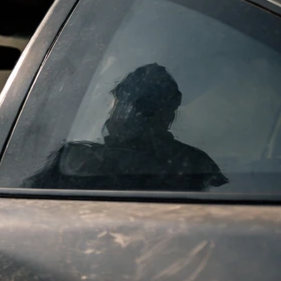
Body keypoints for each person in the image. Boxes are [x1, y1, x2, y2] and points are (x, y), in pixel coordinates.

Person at [26, 63, 228, 191]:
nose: (128, 112)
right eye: (123, 102)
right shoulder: (196, 163)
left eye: (143, 106)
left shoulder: (78, 161)